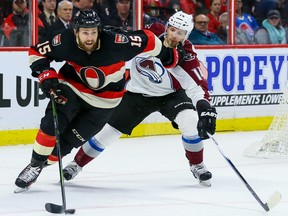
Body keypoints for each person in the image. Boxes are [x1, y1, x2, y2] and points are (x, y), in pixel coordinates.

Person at [14, 9, 182, 193]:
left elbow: (149, 39)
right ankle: (34, 166)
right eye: (85, 32)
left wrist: (169, 56)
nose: (90, 37)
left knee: (66, 145)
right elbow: (37, 52)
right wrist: (46, 75)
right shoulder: (64, 40)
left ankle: (43, 162)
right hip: (72, 88)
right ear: (76, 31)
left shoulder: (117, 43)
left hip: (105, 102)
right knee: (52, 122)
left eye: (94, 32)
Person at [63, 11, 217, 187]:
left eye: (180, 33)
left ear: (186, 36)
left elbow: (197, 85)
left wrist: (205, 108)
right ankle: (76, 164)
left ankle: (197, 164)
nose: (174, 35)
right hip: (136, 94)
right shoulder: (151, 33)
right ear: (167, 27)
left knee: (190, 121)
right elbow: (125, 40)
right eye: (172, 30)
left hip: (171, 95)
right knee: (107, 134)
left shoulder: (187, 55)